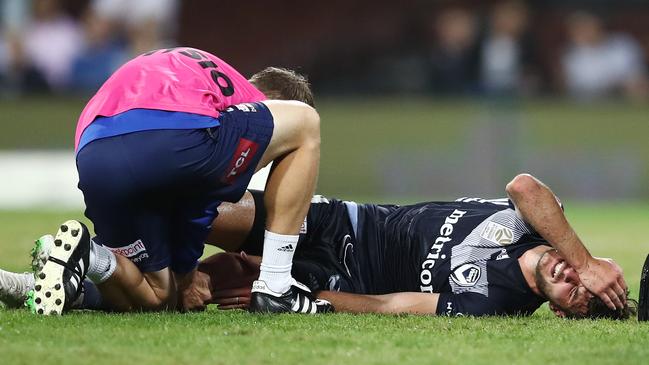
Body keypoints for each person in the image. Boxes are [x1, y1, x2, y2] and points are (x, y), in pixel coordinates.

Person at [7, 174, 632, 318]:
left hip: (337, 274)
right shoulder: (538, 225)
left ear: (566, 309)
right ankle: (120, 211)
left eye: (579, 293)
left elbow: (396, 306)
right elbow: (525, 185)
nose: (574, 279)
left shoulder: (501, 305)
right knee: (211, 214)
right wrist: (584, 260)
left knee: (179, 295)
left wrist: (318, 300)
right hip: (339, 224)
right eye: (589, 275)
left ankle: (59, 270)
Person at [31, 47, 331, 316]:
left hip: (93, 151)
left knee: (158, 295)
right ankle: (276, 287)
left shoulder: (204, 71)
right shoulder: (247, 102)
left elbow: (188, 186)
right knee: (306, 124)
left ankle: (88, 255)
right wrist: (187, 273)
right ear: (273, 104)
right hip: (170, 134)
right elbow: (201, 196)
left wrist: (180, 280)